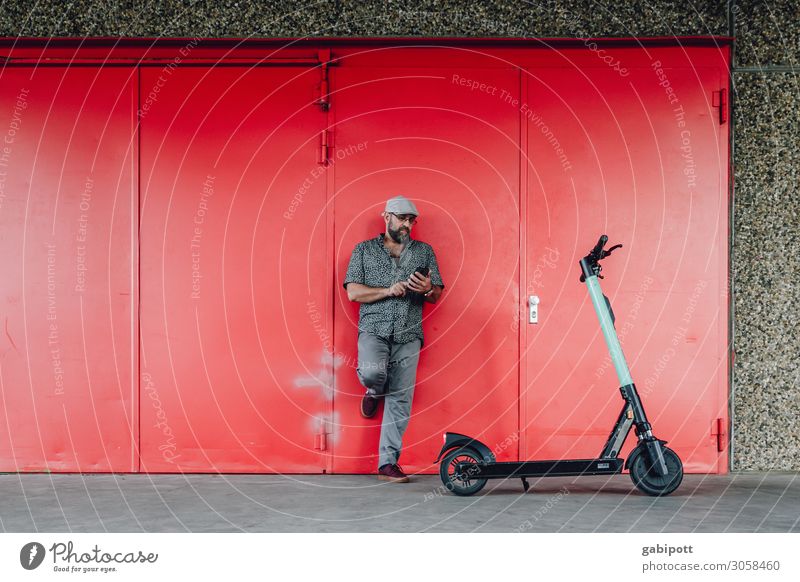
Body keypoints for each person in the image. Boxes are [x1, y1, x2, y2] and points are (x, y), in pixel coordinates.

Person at [342, 195, 445, 483]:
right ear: (386, 216)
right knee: (374, 374)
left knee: (401, 398)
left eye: (412, 220)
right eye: (402, 218)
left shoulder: (424, 252)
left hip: (409, 333)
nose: (407, 224)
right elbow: (354, 292)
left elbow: (436, 294)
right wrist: (388, 290)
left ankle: (388, 463)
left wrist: (427, 289)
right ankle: (374, 391)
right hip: (374, 329)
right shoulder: (363, 251)